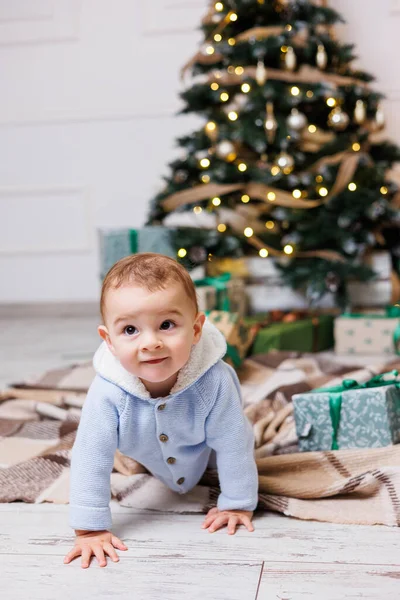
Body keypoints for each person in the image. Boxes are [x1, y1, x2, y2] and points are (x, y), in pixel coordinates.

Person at [64, 253, 258, 569]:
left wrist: (237, 503)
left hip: (204, 446)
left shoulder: (214, 382)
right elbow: (90, 456)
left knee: (232, 435)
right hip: (142, 449)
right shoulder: (107, 393)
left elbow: (235, 444)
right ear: (108, 340)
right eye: (130, 330)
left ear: (196, 329)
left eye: (166, 325)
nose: (150, 342)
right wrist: (89, 528)